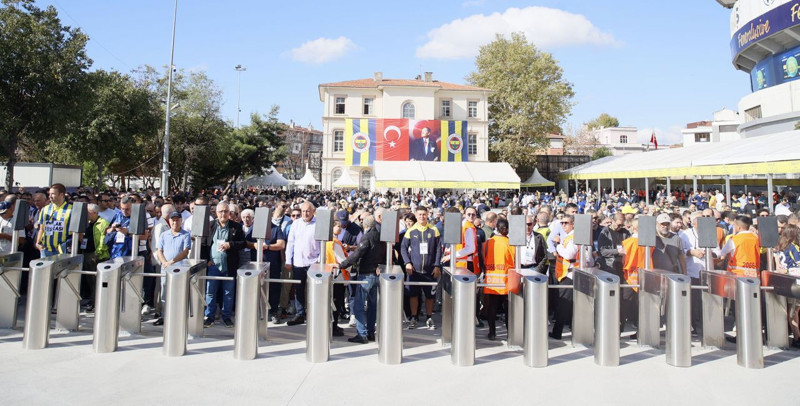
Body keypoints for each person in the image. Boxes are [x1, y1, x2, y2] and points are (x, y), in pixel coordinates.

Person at [201, 202, 246, 328]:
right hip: (213, 265)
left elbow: (242, 243)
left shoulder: (236, 227)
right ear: (216, 213)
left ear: (229, 213)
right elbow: (203, 244)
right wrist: (206, 260)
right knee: (210, 292)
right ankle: (209, 316)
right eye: (221, 211)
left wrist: (230, 245)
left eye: (226, 211)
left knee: (228, 293)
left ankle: (226, 317)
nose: (223, 214)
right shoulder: (210, 226)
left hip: (229, 265)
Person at [336, 215, 381, 344]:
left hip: (366, 275)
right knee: (372, 306)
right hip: (375, 274)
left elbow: (358, 254)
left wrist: (342, 265)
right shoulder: (378, 235)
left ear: (364, 225)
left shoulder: (367, 236)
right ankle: (371, 332)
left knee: (359, 306)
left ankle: (362, 334)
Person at [400, 206, 442, 329]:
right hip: (414, 270)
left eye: (424, 214)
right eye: (419, 215)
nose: (422, 217)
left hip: (430, 270)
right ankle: (414, 317)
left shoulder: (434, 230)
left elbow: (439, 249)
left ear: (427, 215)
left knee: (430, 296)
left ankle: (429, 317)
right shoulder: (410, 231)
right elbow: (403, 248)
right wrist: (407, 262)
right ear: (416, 215)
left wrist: (437, 265)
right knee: (413, 295)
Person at [285, 201, 320, 326]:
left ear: (313, 211)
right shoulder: (296, 224)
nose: (305, 213)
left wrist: (320, 259)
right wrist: (288, 260)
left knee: (314, 289)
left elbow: (322, 243)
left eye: (308, 211)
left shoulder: (318, 224)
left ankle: (314, 314)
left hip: (314, 262)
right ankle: (300, 314)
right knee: (299, 290)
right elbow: (290, 243)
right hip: (298, 262)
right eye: (304, 211)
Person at [155, 211, 191, 326]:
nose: (175, 222)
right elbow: (159, 250)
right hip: (165, 269)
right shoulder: (164, 235)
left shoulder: (185, 235)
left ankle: (177, 316)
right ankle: (164, 315)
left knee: (179, 293)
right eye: (173, 220)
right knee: (164, 293)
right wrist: (165, 262)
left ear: (181, 221)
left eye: (177, 220)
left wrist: (172, 261)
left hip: (179, 269)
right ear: (169, 221)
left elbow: (185, 251)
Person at [483, 218, 515, 340]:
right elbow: (514, 261)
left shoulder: (489, 242)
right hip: (506, 281)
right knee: (508, 309)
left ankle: (492, 332)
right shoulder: (510, 243)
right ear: (506, 229)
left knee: (492, 308)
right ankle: (509, 333)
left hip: (491, 281)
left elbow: (484, 257)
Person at [621, 218, 653, 335]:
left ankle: (618, 330)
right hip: (645, 275)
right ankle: (643, 331)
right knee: (642, 305)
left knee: (624, 304)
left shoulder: (628, 242)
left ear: (633, 228)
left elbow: (624, 259)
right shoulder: (650, 242)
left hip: (630, 276)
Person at [552, 214, 578, 340]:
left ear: (573, 223)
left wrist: (558, 245)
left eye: (566, 223)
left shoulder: (572, 238)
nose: (563, 225)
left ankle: (557, 332)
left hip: (569, 274)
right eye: (562, 223)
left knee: (563, 304)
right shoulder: (568, 237)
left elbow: (569, 254)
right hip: (566, 273)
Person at [35, 183, 72, 257]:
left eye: (53, 194)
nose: (50, 196)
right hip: (46, 250)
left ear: (61, 195)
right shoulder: (45, 209)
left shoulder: (71, 209)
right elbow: (41, 228)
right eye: (49, 194)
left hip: (63, 251)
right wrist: (38, 243)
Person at [597, 213, 630, 279]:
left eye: (622, 225)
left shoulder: (625, 232)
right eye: (618, 225)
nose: (620, 227)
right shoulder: (605, 232)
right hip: (609, 266)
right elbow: (602, 251)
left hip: (623, 266)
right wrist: (617, 251)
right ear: (613, 221)